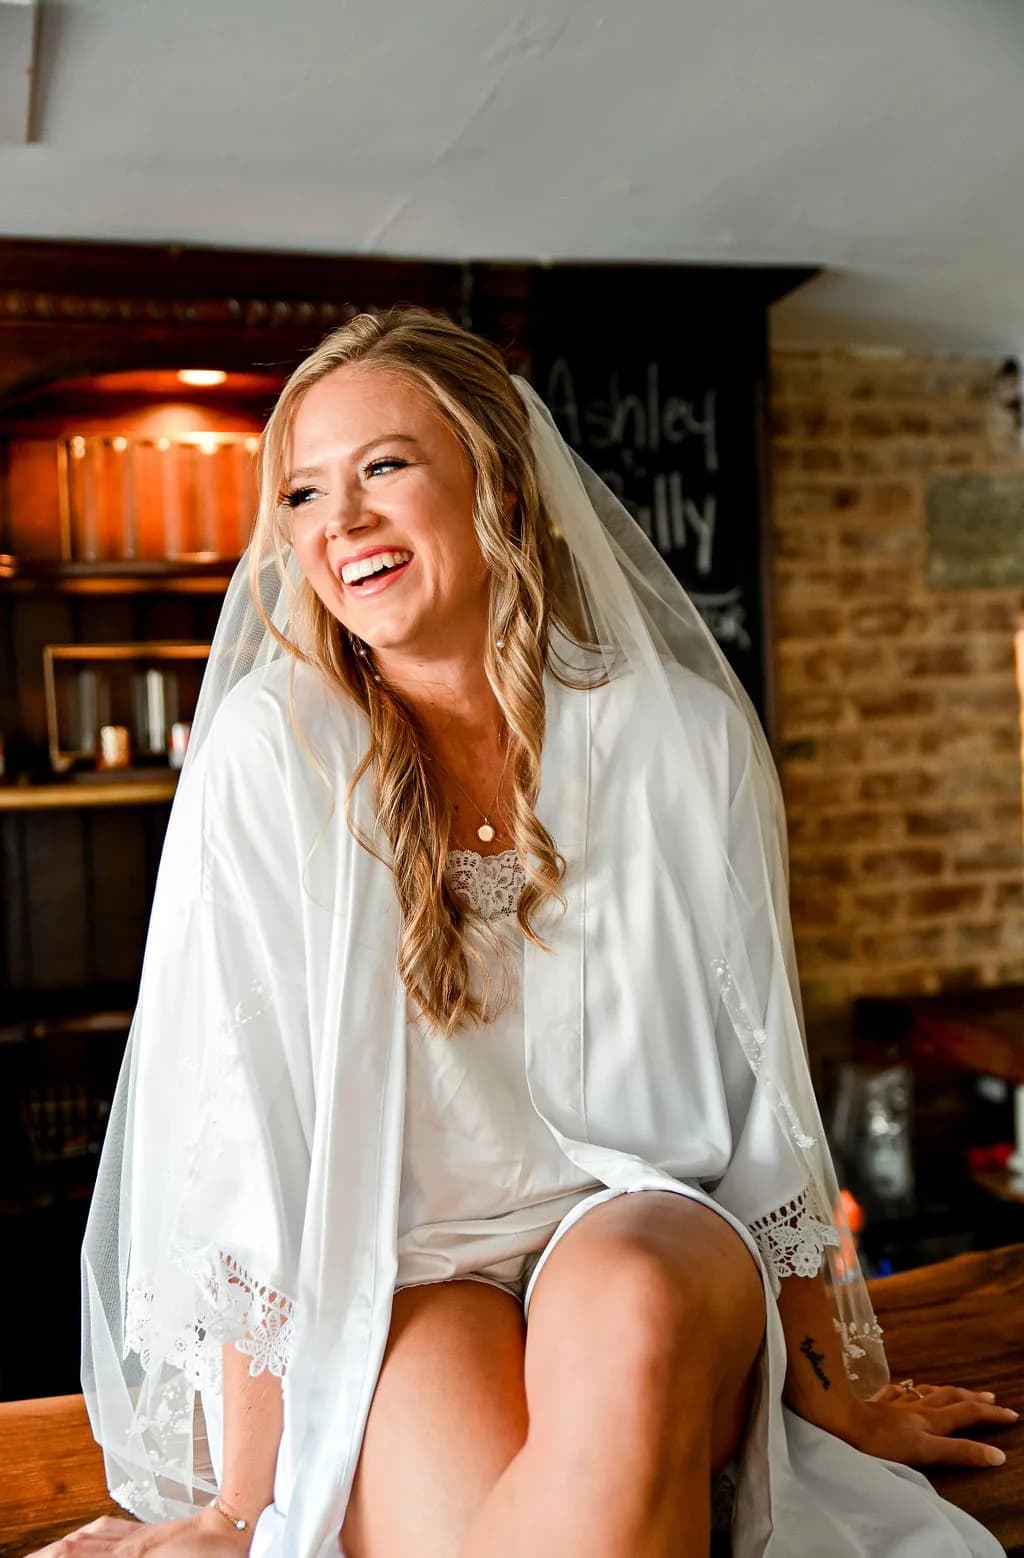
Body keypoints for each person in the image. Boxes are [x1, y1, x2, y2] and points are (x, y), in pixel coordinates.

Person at [41, 307, 1012, 1558]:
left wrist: (833, 1398)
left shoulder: (677, 739)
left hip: (643, 1216)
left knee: (636, 1304)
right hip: (407, 1278)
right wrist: (239, 1507)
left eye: (384, 466)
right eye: (302, 491)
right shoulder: (265, 763)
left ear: (497, 478)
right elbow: (248, 1136)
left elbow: (757, 1086)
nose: (339, 522)